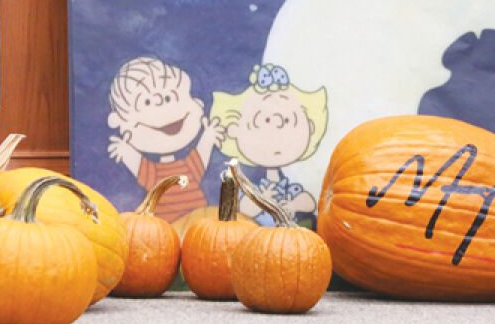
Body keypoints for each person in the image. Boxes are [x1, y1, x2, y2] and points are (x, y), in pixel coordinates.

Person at [106, 56, 226, 222]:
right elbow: (138, 164)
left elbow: (201, 155)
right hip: (163, 229)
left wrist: (208, 135)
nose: (163, 108)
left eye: (169, 97)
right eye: (147, 102)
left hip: (198, 227)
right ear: (121, 122)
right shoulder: (153, 174)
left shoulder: (189, 168)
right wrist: (126, 151)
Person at [210, 63, 328, 226]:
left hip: (291, 242)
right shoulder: (253, 187)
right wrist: (262, 200)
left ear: (310, 126)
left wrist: (293, 206)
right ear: (234, 129)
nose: (277, 131)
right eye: (264, 121)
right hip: (254, 239)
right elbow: (244, 210)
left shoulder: (288, 187)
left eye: (288, 120)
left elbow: (310, 202)